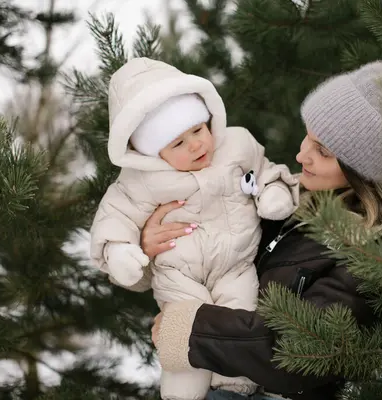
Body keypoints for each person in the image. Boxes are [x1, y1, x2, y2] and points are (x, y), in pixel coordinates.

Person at [144, 60, 382, 400]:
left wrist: (192, 330)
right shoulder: (285, 201)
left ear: (363, 172)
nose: (300, 155)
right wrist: (150, 242)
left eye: (322, 152)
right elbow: (212, 256)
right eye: (308, 138)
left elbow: (301, 352)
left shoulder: (371, 252)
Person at [89, 57, 300, 400]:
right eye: (178, 143)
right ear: (151, 153)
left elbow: (266, 169)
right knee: (183, 339)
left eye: (198, 130)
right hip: (178, 276)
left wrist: (273, 192)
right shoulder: (141, 181)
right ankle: (181, 395)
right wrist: (121, 250)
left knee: (239, 316)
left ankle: (235, 388)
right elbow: (115, 216)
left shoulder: (236, 145)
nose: (197, 145)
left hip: (236, 266)